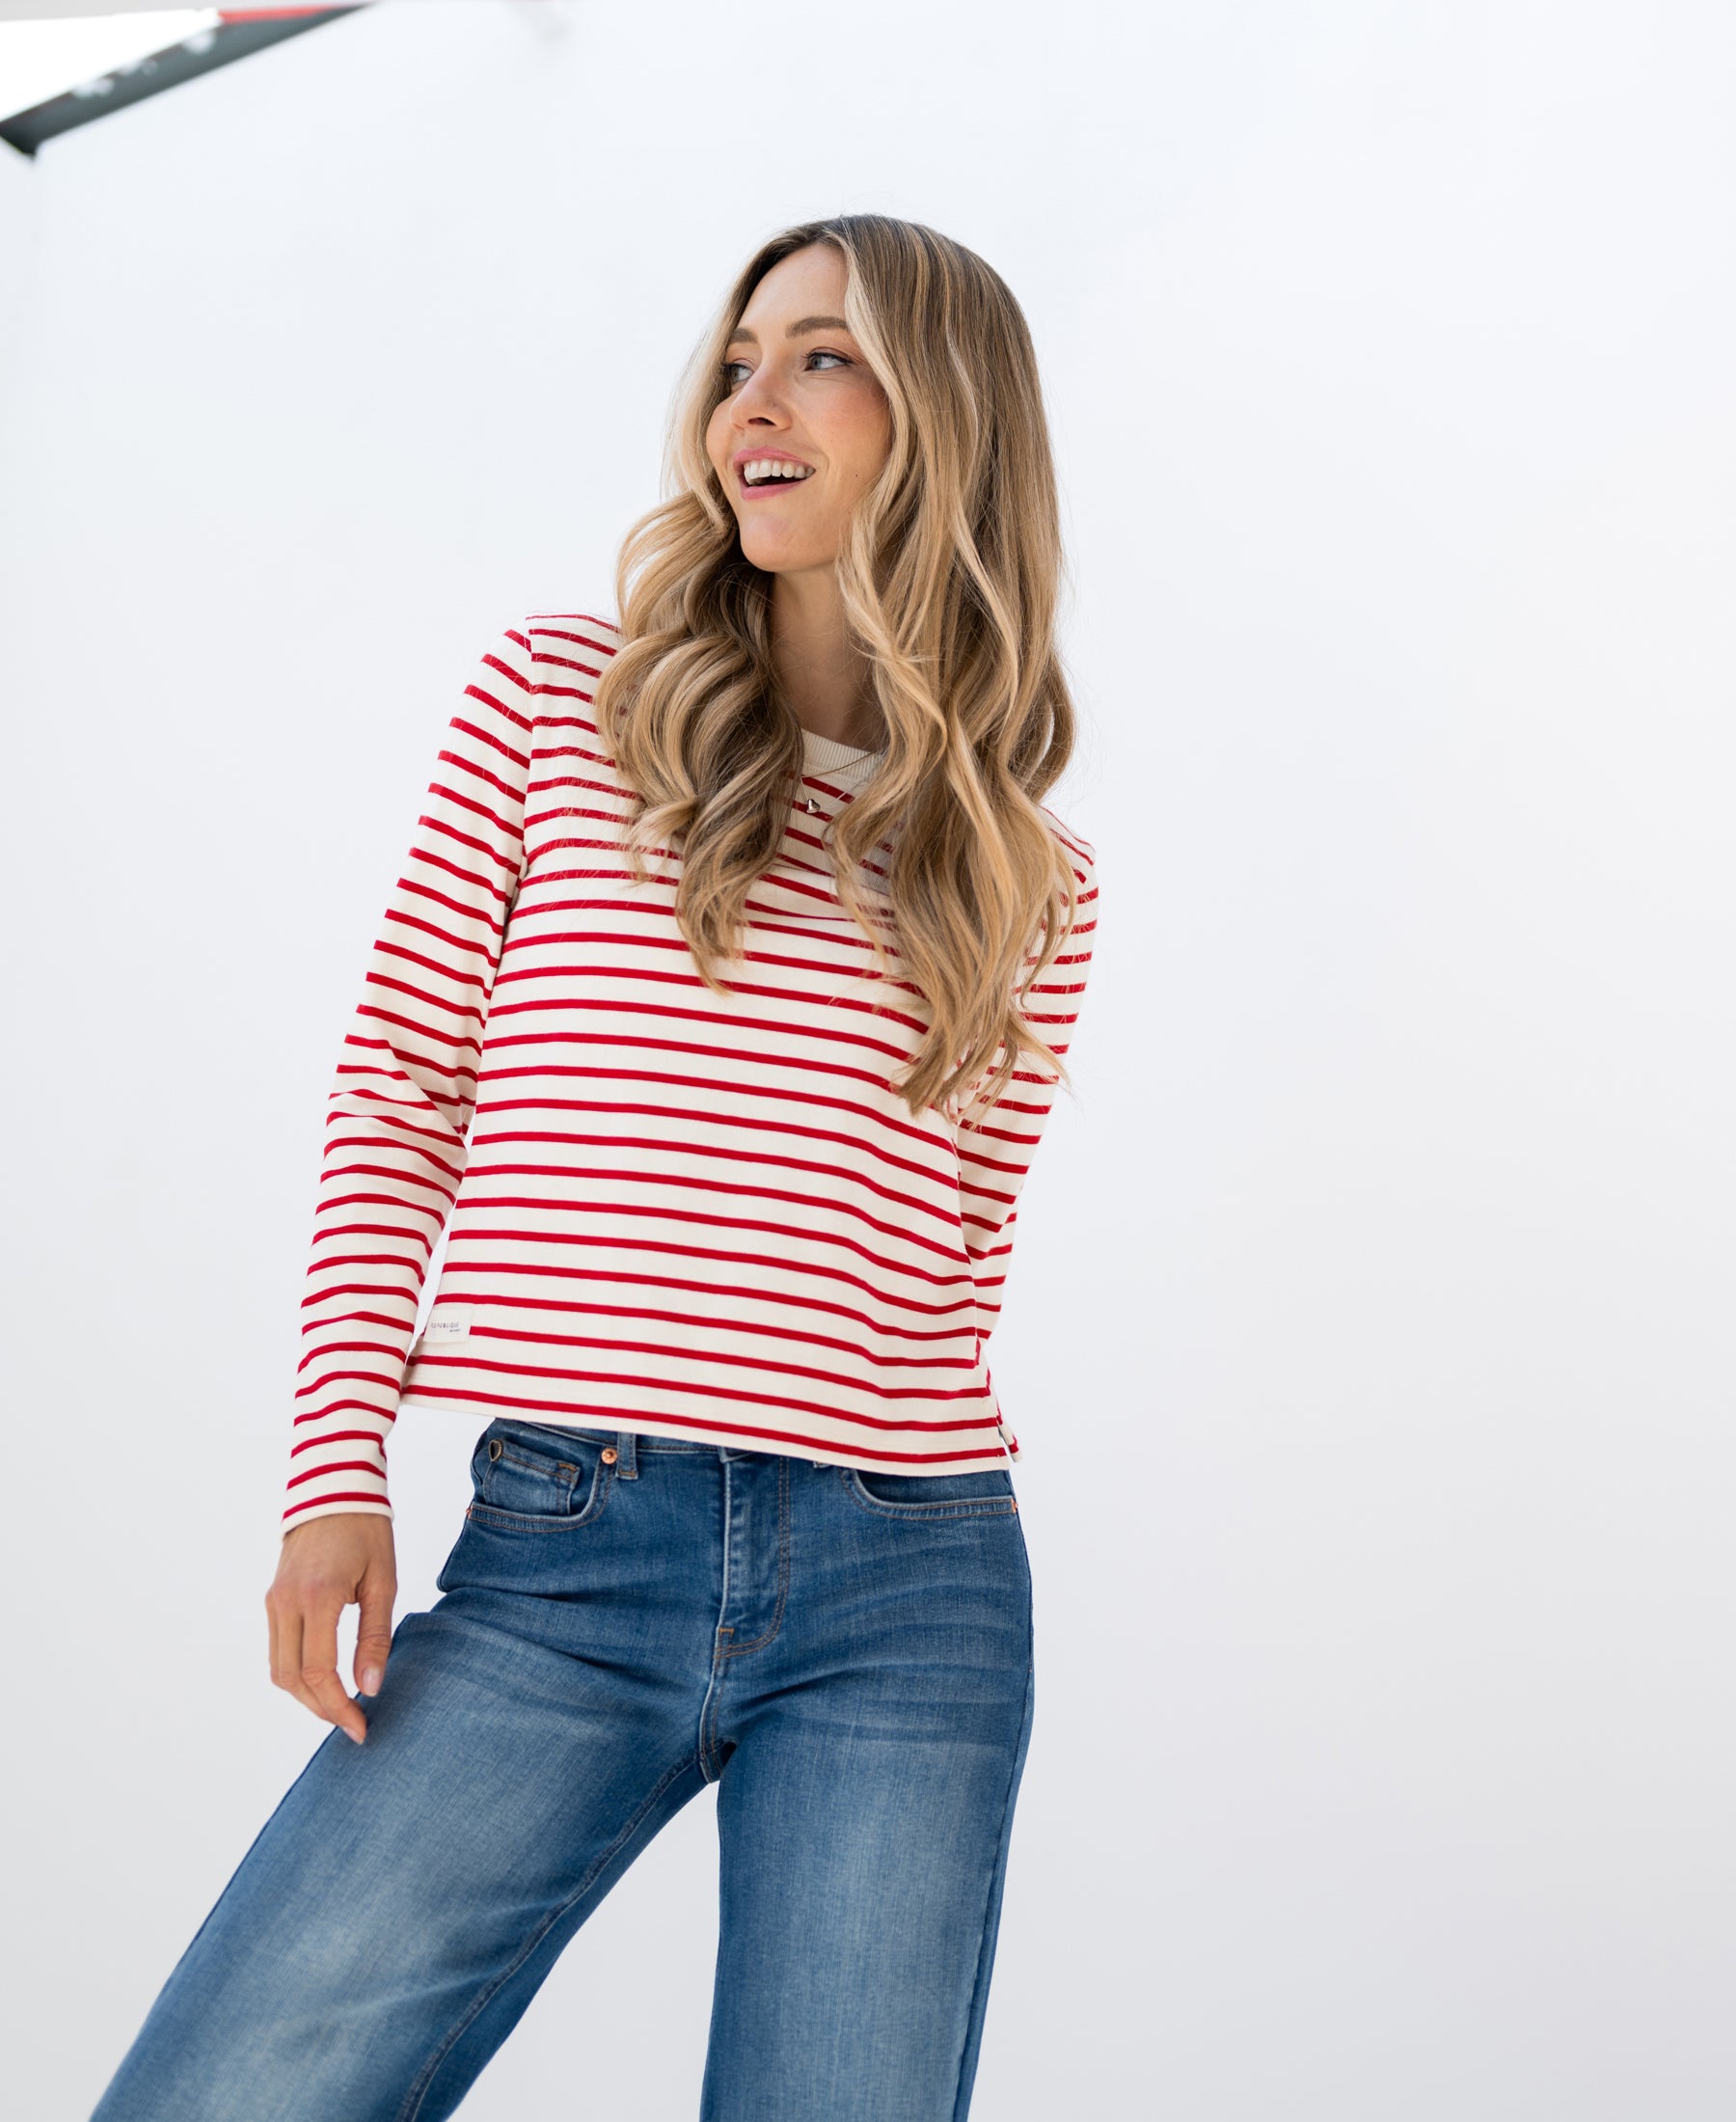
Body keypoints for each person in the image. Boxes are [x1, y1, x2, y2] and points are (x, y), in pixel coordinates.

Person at [94, 212, 1099, 2122]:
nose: (754, 402)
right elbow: (402, 1096)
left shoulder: (1029, 877)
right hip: (572, 1541)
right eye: (738, 360)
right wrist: (335, 1476)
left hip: (912, 1581)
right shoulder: (561, 701)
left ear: (945, 419)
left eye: (823, 355)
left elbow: (953, 1267)